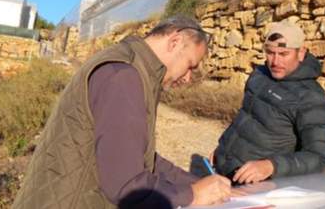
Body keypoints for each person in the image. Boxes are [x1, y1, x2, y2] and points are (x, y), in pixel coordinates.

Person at [12, 16, 236, 209]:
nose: (188, 78)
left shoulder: (133, 68)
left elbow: (139, 154)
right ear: (175, 41)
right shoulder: (124, 76)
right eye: (190, 65)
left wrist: (196, 182)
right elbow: (124, 184)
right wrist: (193, 194)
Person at [211, 21, 325, 185]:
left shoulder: (311, 97)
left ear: (301, 53)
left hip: (256, 185)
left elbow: (319, 156)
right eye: (270, 53)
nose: (275, 62)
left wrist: (271, 166)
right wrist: (223, 150)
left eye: (283, 54)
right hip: (223, 170)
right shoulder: (260, 74)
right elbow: (246, 117)